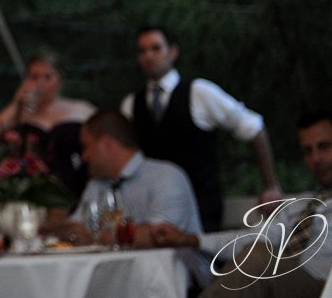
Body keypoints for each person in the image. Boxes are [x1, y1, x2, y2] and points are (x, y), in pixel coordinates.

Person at [149, 109, 332, 298]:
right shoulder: (300, 206)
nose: (316, 158)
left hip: (322, 287)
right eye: (307, 151)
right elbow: (253, 239)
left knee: (260, 258)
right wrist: (191, 239)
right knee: (251, 254)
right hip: (284, 282)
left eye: (324, 146)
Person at [121, 26, 282, 231]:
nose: (149, 56)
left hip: (202, 211)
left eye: (156, 48)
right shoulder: (131, 104)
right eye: (142, 51)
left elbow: (253, 127)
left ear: (173, 52)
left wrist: (270, 186)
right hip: (152, 216)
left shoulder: (199, 92)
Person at [47, 110, 202, 247]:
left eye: (86, 147)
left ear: (106, 144)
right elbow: (76, 226)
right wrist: (50, 226)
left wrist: (93, 235)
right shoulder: (97, 183)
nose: (84, 156)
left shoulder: (166, 176)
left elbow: (159, 235)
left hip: (174, 276)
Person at [0, 51, 96, 198]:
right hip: (35, 190)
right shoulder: (21, 115)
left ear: (60, 80)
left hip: (78, 186)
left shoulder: (80, 109)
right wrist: (17, 103)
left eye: (48, 77)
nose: (40, 83)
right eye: (34, 77)